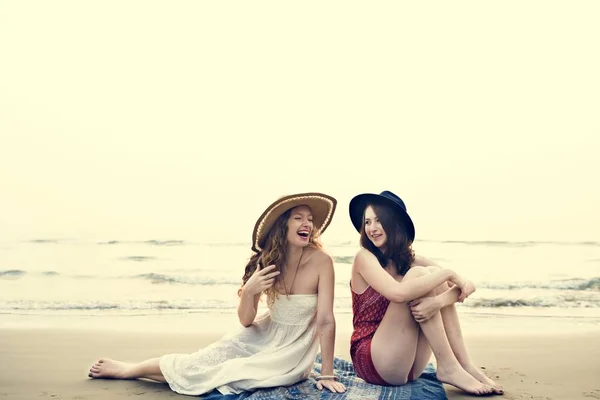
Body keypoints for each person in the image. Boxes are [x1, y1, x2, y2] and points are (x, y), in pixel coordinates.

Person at [88, 192, 346, 395]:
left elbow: (325, 319)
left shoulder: (322, 262)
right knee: (205, 358)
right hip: (263, 334)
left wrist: (326, 373)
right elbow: (246, 320)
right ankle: (130, 369)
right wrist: (249, 291)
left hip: (292, 350)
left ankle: (131, 370)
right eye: (299, 217)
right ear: (283, 225)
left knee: (233, 371)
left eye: (310, 219)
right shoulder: (267, 262)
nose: (308, 224)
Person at [348, 190, 503, 396]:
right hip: (373, 360)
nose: (372, 228)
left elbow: (468, 286)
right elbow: (398, 294)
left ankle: (464, 365)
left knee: (428, 275)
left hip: (408, 365)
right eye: (367, 222)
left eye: (379, 221)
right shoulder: (364, 258)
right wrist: (446, 274)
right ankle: (448, 365)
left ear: (395, 224)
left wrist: (436, 303)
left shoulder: (410, 260)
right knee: (424, 275)